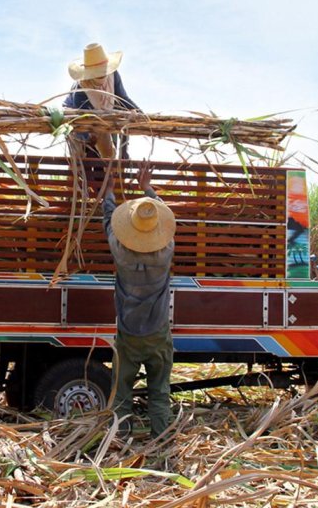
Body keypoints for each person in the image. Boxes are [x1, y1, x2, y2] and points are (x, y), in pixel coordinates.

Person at [102, 163, 175, 438]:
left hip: (129, 334)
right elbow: (164, 219)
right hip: (158, 332)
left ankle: (119, 442)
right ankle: (162, 443)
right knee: (159, 393)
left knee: (121, 395)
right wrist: (147, 188)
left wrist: (109, 192)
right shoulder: (166, 250)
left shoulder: (120, 251)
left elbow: (109, 221)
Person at [64, 42, 139, 160]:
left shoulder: (113, 76)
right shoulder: (81, 88)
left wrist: (140, 114)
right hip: (79, 119)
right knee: (82, 156)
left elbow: (123, 99)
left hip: (102, 117)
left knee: (109, 155)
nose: (102, 76)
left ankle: (107, 174)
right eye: (97, 74)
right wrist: (88, 140)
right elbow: (80, 118)